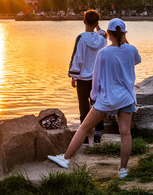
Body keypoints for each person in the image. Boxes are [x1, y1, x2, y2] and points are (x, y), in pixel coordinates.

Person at [48, 18, 141, 179]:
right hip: (126, 98)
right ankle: (123, 169)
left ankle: (66, 158)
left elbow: (96, 78)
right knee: (125, 134)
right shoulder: (131, 50)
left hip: (107, 99)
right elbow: (136, 60)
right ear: (124, 33)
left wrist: (94, 98)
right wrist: (124, 41)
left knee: (84, 127)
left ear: (108, 33)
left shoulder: (103, 53)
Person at [68, 10, 107, 145]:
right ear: (97, 23)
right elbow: (103, 33)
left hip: (83, 78)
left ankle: (84, 136)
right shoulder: (101, 39)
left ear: (84, 21)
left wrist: (74, 75)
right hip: (97, 78)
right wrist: (97, 26)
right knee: (97, 104)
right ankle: (98, 132)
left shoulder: (81, 38)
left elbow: (77, 57)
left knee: (83, 105)